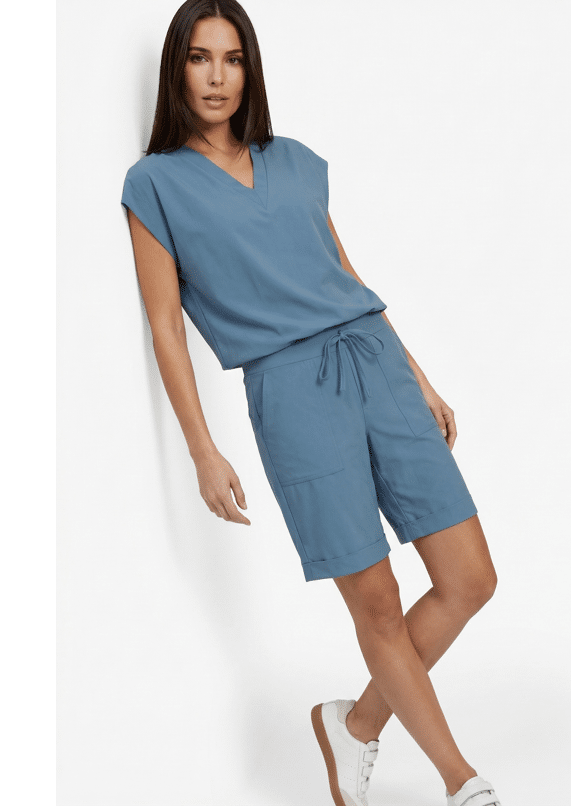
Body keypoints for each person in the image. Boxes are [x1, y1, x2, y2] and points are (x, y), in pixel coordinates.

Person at [120, 2, 503, 805]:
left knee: (470, 578)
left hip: (375, 364)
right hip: (291, 390)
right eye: (199, 58)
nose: (217, 77)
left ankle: (353, 725)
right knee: (378, 602)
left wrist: (419, 376)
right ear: (176, 69)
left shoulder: (293, 160)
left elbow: (345, 277)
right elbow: (165, 327)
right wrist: (202, 449)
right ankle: (461, 781)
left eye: (232, 58)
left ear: (250, 69)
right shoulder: (153, 184)